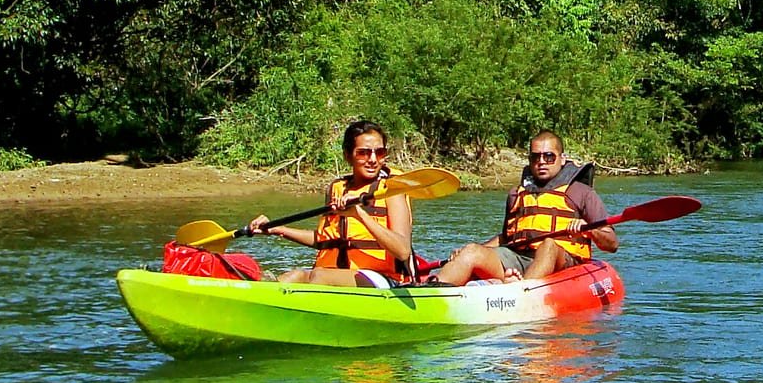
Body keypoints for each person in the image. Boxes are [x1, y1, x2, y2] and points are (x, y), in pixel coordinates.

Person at [430, 132, 618, 285]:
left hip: (561, 261)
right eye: (535, 156)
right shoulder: (516, 194)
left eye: (549, 156)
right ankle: (435, 290)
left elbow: (611, 244)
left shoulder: (581, 192)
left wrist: (590, 229)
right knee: (472, 250)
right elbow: (506, 238)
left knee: (549, 245)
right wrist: (467, 252)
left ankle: (522, 291)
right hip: (519, 257)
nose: (541, 161)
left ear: (562, 159)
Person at [247, 120, 413, 286]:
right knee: (293, 277)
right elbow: (325, 240)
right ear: (348, 155)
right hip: (337, 275)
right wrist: (277, 229)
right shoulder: (337, 189)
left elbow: (403, 251)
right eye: (363, 153)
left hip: (384, 280)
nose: (373, 159)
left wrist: (359, 215)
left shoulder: (392, 190)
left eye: (380, 152)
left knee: (318, 276)